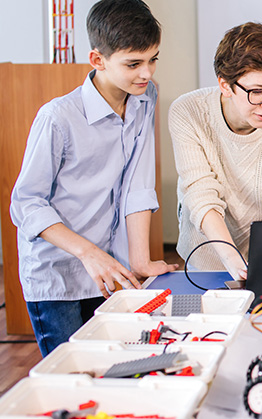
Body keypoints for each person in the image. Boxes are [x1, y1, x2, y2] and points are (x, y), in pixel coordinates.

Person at [10, 0, 177, 356]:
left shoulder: (145, 97)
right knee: (76, 373)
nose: (146, 73)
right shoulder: (57, 118)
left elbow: (137, 183)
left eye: (153, 59)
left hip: (108, 269)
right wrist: (89, 253)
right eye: (133, 63)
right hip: (58, 276)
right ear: (97, 60)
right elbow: (25, 203)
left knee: (111, 368)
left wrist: (140, 259)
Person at [169, 22, 262, 281]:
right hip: (206, 261)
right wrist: (231, 258)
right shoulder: (189, 112)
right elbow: (200, 193)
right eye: (257, 92)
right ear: (225, 85)